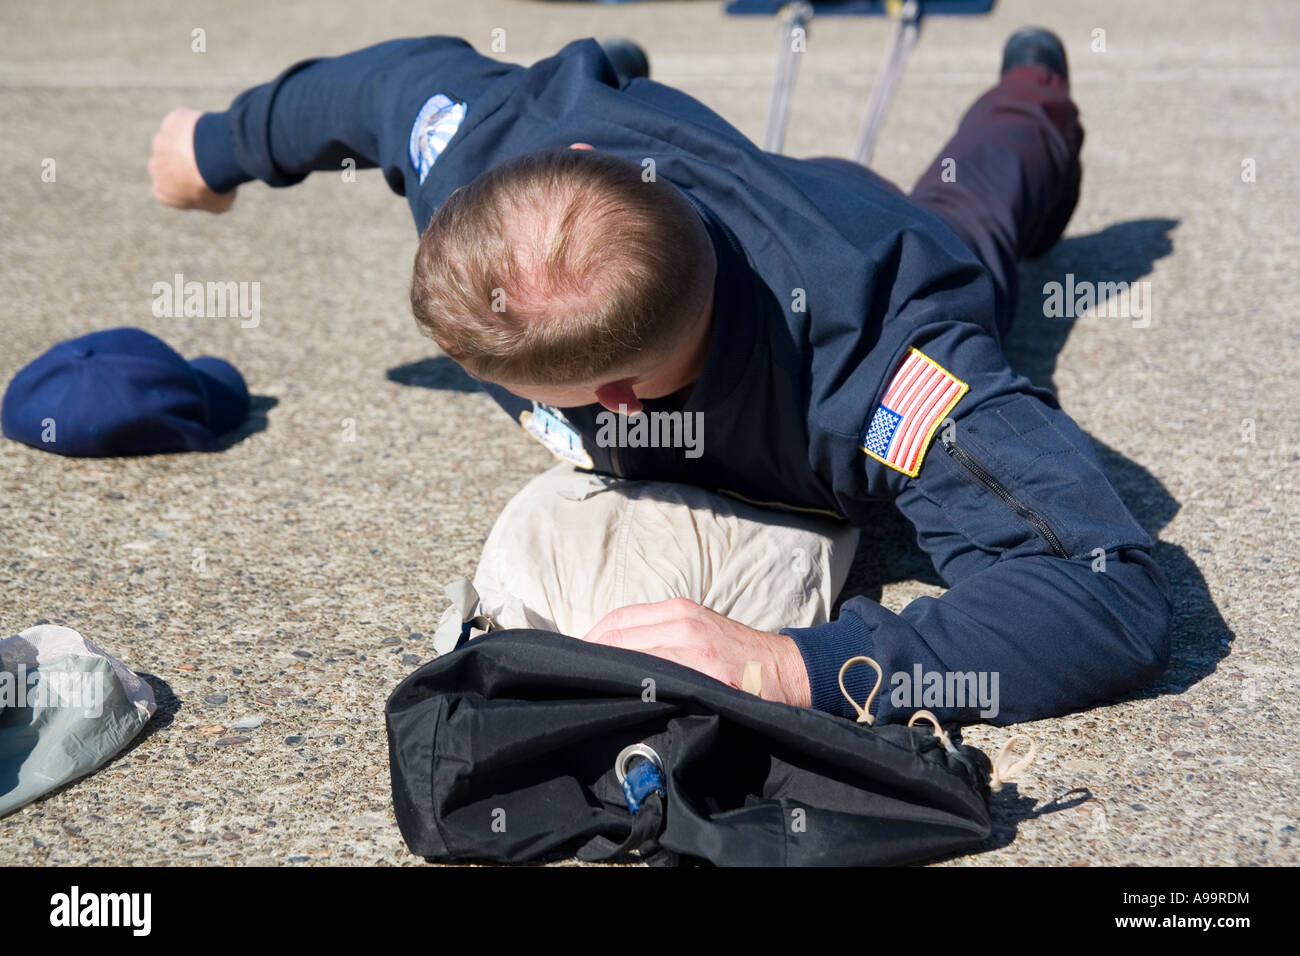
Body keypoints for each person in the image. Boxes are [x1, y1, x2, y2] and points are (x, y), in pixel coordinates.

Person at [147, 27, 1172, 725]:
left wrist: (792, 664)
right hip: (693, 197)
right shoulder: (492, 143)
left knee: (977, 202)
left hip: (893, 249)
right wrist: (216, 146)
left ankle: (1032, 81)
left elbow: (1108, 599)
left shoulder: (890, 379)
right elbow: (376, 85)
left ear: (621, 403)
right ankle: (620, 66)